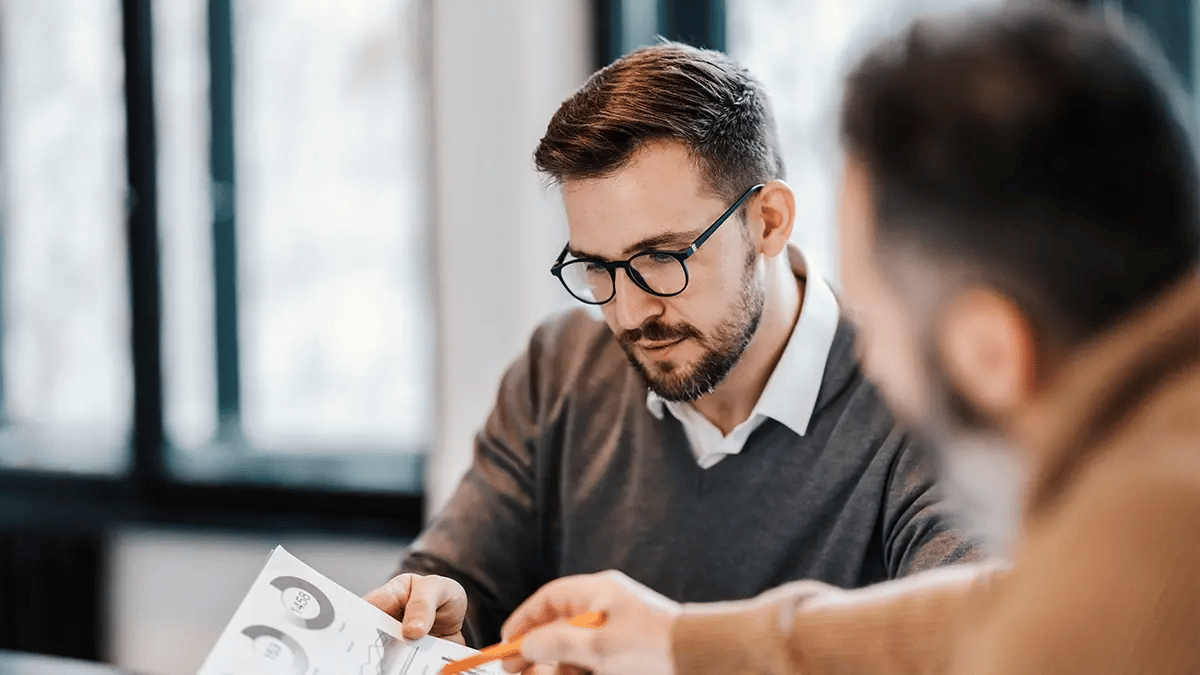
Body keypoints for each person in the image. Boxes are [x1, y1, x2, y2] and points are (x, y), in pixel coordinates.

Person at [497, 4, 1200, 674]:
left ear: (991, 351)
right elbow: (986, 609)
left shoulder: (1145, 552)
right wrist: (680, 641)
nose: (866, 360)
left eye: (878, 320)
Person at [363, 43, 980, 648]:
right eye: (597, 268)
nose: (629, 314)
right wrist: (437, 608)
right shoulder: (559, 368)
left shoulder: (920, 395)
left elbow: (971, 643)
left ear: (768, 222)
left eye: (661, 257)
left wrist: (680, 650)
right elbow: (461, 580)